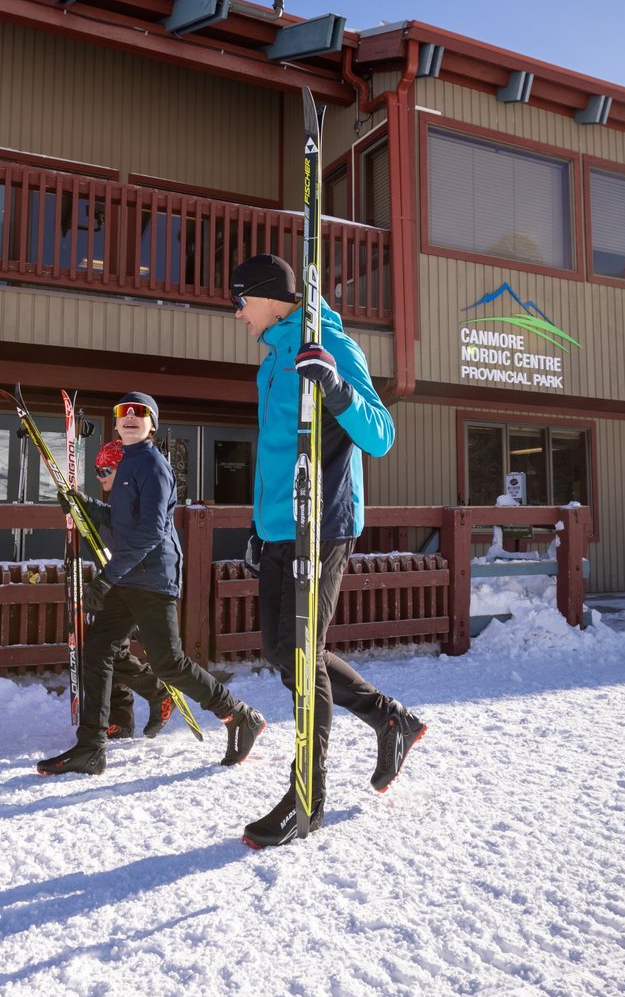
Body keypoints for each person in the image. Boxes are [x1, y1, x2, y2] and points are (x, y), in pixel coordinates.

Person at [228, 253, 428, 847]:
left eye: (240, 299)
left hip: (323, 524)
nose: (236, 312)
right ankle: (390, 719)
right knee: (283, 652)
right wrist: (260, 527)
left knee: (301, 653)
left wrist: (336, 388)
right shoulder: (271, 362)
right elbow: (276, 456)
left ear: (268, 296)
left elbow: (381, 434)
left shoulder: (332, 346)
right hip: (278, 527)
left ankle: (307, 797)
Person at [37, 391, 265, 775]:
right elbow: (122, 523)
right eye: (123, 412)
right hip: (130, 575)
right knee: (98, 650)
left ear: (152, 424)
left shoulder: (153, 465)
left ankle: (239, 716)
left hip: (152, 576)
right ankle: (91, 746)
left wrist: (106, 580)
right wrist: (84, 505)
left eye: (139, 413)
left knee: (168, 662)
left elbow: (149, 533)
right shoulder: (127, 464)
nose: (129, 417)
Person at [90, 440, 175, 740]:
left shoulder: (134, 499)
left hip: (139, 583)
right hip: (120, 581)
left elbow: (145, 539)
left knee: (109, 649)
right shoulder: (115, 502)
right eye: (97, 470)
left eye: (106, 469)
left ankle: (157, 692)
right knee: (107, 648)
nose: (100, 476)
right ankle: (122, 717)